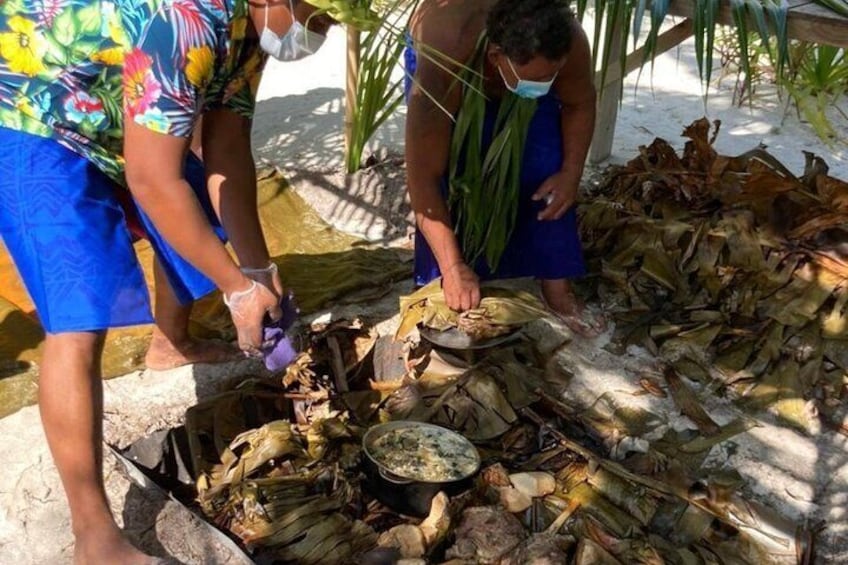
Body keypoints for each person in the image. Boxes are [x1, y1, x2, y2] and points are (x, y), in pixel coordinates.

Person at [0, 0, 330, 562]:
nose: (319, 30)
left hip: (112, 111)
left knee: (199, 213)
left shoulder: (251, 34)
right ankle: (94, 537)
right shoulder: (188, 22)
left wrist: (256, 268)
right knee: (79, 317)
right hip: (33, 106)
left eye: (331, 21)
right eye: (316, 13)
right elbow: (152, 179)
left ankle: (168, 343)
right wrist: (236, 288)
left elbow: (228, 153)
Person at [405, 0, 606, 337]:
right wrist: (452, 264)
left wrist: (572, 174)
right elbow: (423, 176)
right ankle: (450, 274)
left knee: (545, 163)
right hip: (454, 63)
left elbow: (579, 102)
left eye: (553, 75)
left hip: (524, 59)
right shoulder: (445, 55)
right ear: (496, 55)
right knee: (456, 174)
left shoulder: (565, 41)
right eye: (541, 78)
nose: (548, 82)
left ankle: (557, 287)